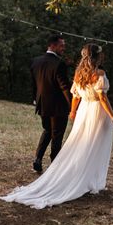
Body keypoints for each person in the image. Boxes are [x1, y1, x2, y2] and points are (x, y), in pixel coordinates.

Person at [0, 43, 113, 209]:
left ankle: (86, 178)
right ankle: (91, 180)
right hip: (97, 112)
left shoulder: (79, 74)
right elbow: (102, 98)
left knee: (81, 145)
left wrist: (73, 112)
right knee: (95, 146)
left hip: (84, 111)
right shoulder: (99, 73)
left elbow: (75, 96)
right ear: (97, 57)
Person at [29, 35, 71, 174]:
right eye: (61, 46)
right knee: (57, 135)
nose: (63, 48)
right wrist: (72, 105)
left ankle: (37, 159)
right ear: (52, 46)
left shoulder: (36, 61)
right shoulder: (59, 63)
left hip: (42, 105)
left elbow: (34, 84)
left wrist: (36, 100)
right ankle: (54, 167)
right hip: (58, 107)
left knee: (47, 130)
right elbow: (64, 87)